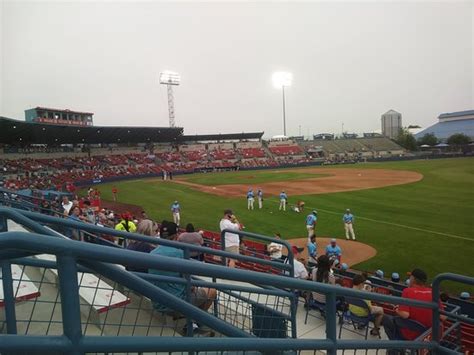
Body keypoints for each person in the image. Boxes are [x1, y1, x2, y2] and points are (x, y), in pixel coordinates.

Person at [149, 221, 217, 328]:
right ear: (175, 236)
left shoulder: (152, 253)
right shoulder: (180, 253)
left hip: (157, 302)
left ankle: (193, 320)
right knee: (212, 290)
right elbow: (188, 282)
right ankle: (194, 324)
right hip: (176, 303)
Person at [382, 268, 446, 343]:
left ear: (413, 279)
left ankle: (396, 349)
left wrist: (396, 310)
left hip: (411, 334)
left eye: (410, 277)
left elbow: (405, 315)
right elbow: (443, 317)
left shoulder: (407, 291)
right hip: (428, 336)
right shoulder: (432, 292)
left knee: (386, 318)